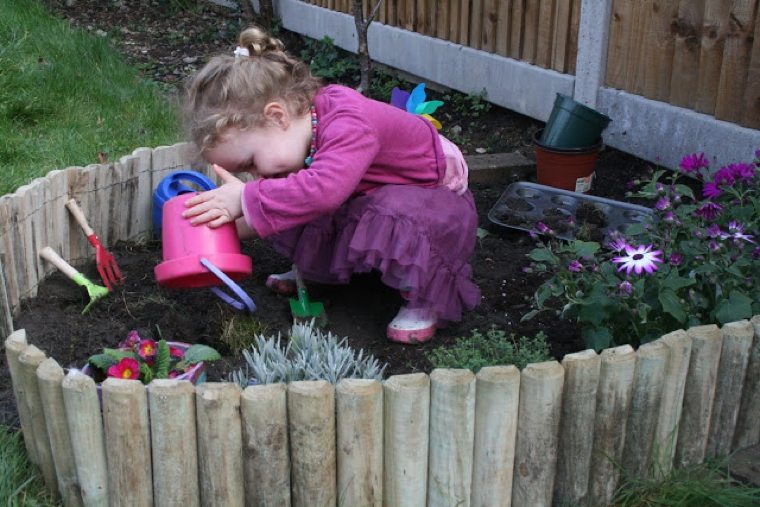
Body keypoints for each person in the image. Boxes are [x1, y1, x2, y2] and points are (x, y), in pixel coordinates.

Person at [181, 26, 480, 343]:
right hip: (366, 187)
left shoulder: (347, 122)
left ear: (277, 117)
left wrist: (245, 198)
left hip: (428, 191)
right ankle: (321, 273)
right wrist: (218, 226)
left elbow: (324, 192)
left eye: (250, 162)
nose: (254, 174)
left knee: (367, 207)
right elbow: (287, 202)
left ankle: (423, 296)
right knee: (285, 193)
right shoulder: (302, 132)